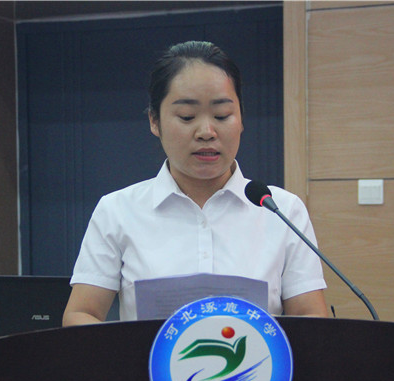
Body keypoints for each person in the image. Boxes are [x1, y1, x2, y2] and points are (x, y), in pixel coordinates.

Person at [63, 41, 328, 326]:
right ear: (154, 121)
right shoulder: (117, 210)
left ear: (241, 119)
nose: (206, 132)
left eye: (222, 115)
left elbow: (311, 317)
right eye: (187, 117)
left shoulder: (283, 210)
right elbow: (80, 314)